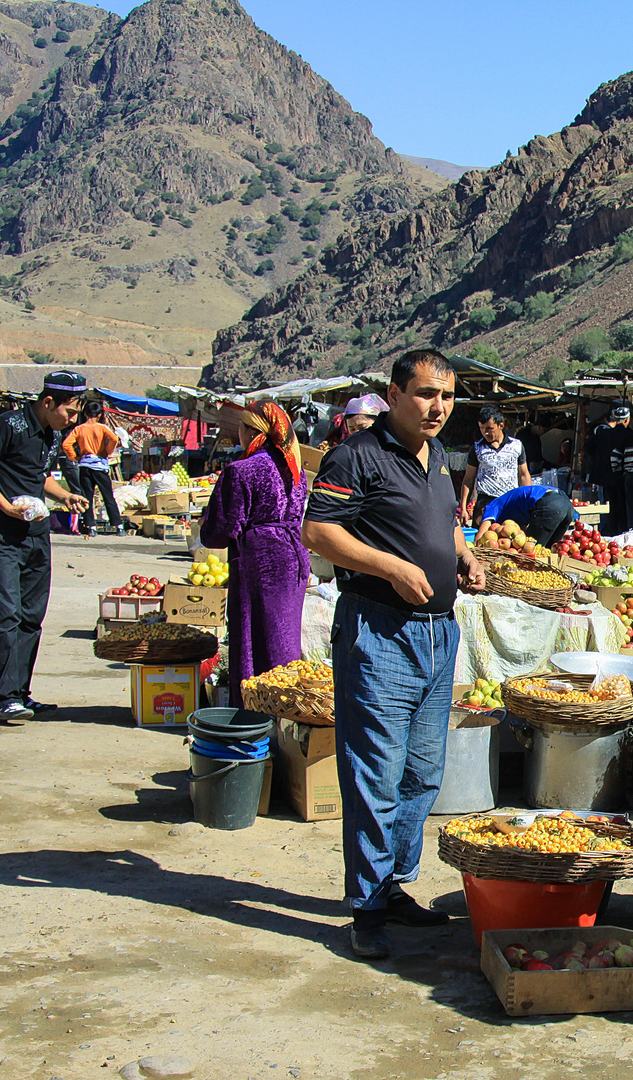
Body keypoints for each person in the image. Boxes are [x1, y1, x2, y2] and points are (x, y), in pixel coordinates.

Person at [300, 350, 485, 961]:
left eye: (448, 397)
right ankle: (366, 908)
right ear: (394, 394)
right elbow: (319, 533)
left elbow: (446, 524)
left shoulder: (438, 459)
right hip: (379, 632)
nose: (438, 408)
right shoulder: (357, 456)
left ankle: (393, 883)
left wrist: (464, 555)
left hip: (438, 633)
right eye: (427, 395)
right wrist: (392, 567)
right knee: (375, 773)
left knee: (422, 771)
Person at [0, 372, 89, 724]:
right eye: (69, 412)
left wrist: (64, 496)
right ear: (48, 402)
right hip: (3, 537)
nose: (72, 420)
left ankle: (20, 694)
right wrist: (5, 506)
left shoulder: (51, 433)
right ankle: (3, 699)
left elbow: (38, 475)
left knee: (31, 619)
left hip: (37, 535)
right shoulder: (8, 426)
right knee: (7, 616)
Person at [200, 402, 311, 689]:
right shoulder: (295, 471)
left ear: (251, 431)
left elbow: (219, 532)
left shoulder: (241, 471)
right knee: (283, 637)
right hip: (293, 558)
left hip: (260, 561)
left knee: (252, 639)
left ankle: (255, 711)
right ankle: (286, 704)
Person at [461, 405, 531, 526]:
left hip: (511, 500)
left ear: (501, 425)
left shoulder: (516, 446)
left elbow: (524, 475)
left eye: (489, 428)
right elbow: (468, 479)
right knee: (484, 538)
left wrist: (528, 502)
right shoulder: (477, 448)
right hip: (486, 501)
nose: (485, 432)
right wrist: (463, 507)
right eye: (482, 428)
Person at [62, 402, 124, 536]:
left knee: (87, 498)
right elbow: (114, 439)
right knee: (108, 496)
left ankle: (91, 526)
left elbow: (66, 444)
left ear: (84, 414)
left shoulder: (79, 429)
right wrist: (107, 451)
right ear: (100, 415)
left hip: (85, 466)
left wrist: (75, 457)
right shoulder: (102, 428)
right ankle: (118, 526)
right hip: (99, 466)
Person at [479, 484, 577, 546]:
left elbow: (482, 537)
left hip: (549, 504)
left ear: (483, 510)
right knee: (549, 550)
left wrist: (475, 547)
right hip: (566, 503)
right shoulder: (510, 509)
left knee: (529, 552)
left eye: (480, 520)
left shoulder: (492, 505)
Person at [583, 405, 630, 533]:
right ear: (627, 420)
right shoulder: (629, 435)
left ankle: (609, 531)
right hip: (621, 476)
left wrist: (597, 460)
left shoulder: (604, 434)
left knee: (609, 505)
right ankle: (621, 531)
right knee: (622, 506)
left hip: (604, 476)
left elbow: (587, 447)